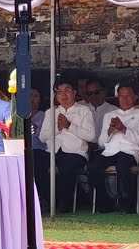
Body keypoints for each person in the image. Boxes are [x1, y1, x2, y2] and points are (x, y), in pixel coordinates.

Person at [88, 83, 139, 213]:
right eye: (122, 96)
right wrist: (110, 131)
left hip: (129, 151)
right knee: (93, 167)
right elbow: (101, 143)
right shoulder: (110, 115)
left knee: (123, 165)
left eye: (128, 95)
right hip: (110, 151)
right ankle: (106, 202)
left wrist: (124, 129)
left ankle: (131, 203)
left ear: (135, 97)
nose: (125, 99)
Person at [37, 80, 96, 212]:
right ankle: (46, 200)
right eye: (59, 92)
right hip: (53, 151)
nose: (63, 95)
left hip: (75, 152)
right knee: (36, 161)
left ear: (74, 92)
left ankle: (65, 203)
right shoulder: (50, 112)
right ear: (56, 95)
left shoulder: (84, 110)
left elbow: (91, 136)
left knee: (66, 164)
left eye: (67, 90)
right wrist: (58, 129)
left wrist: (69, 126)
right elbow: (42, 137)